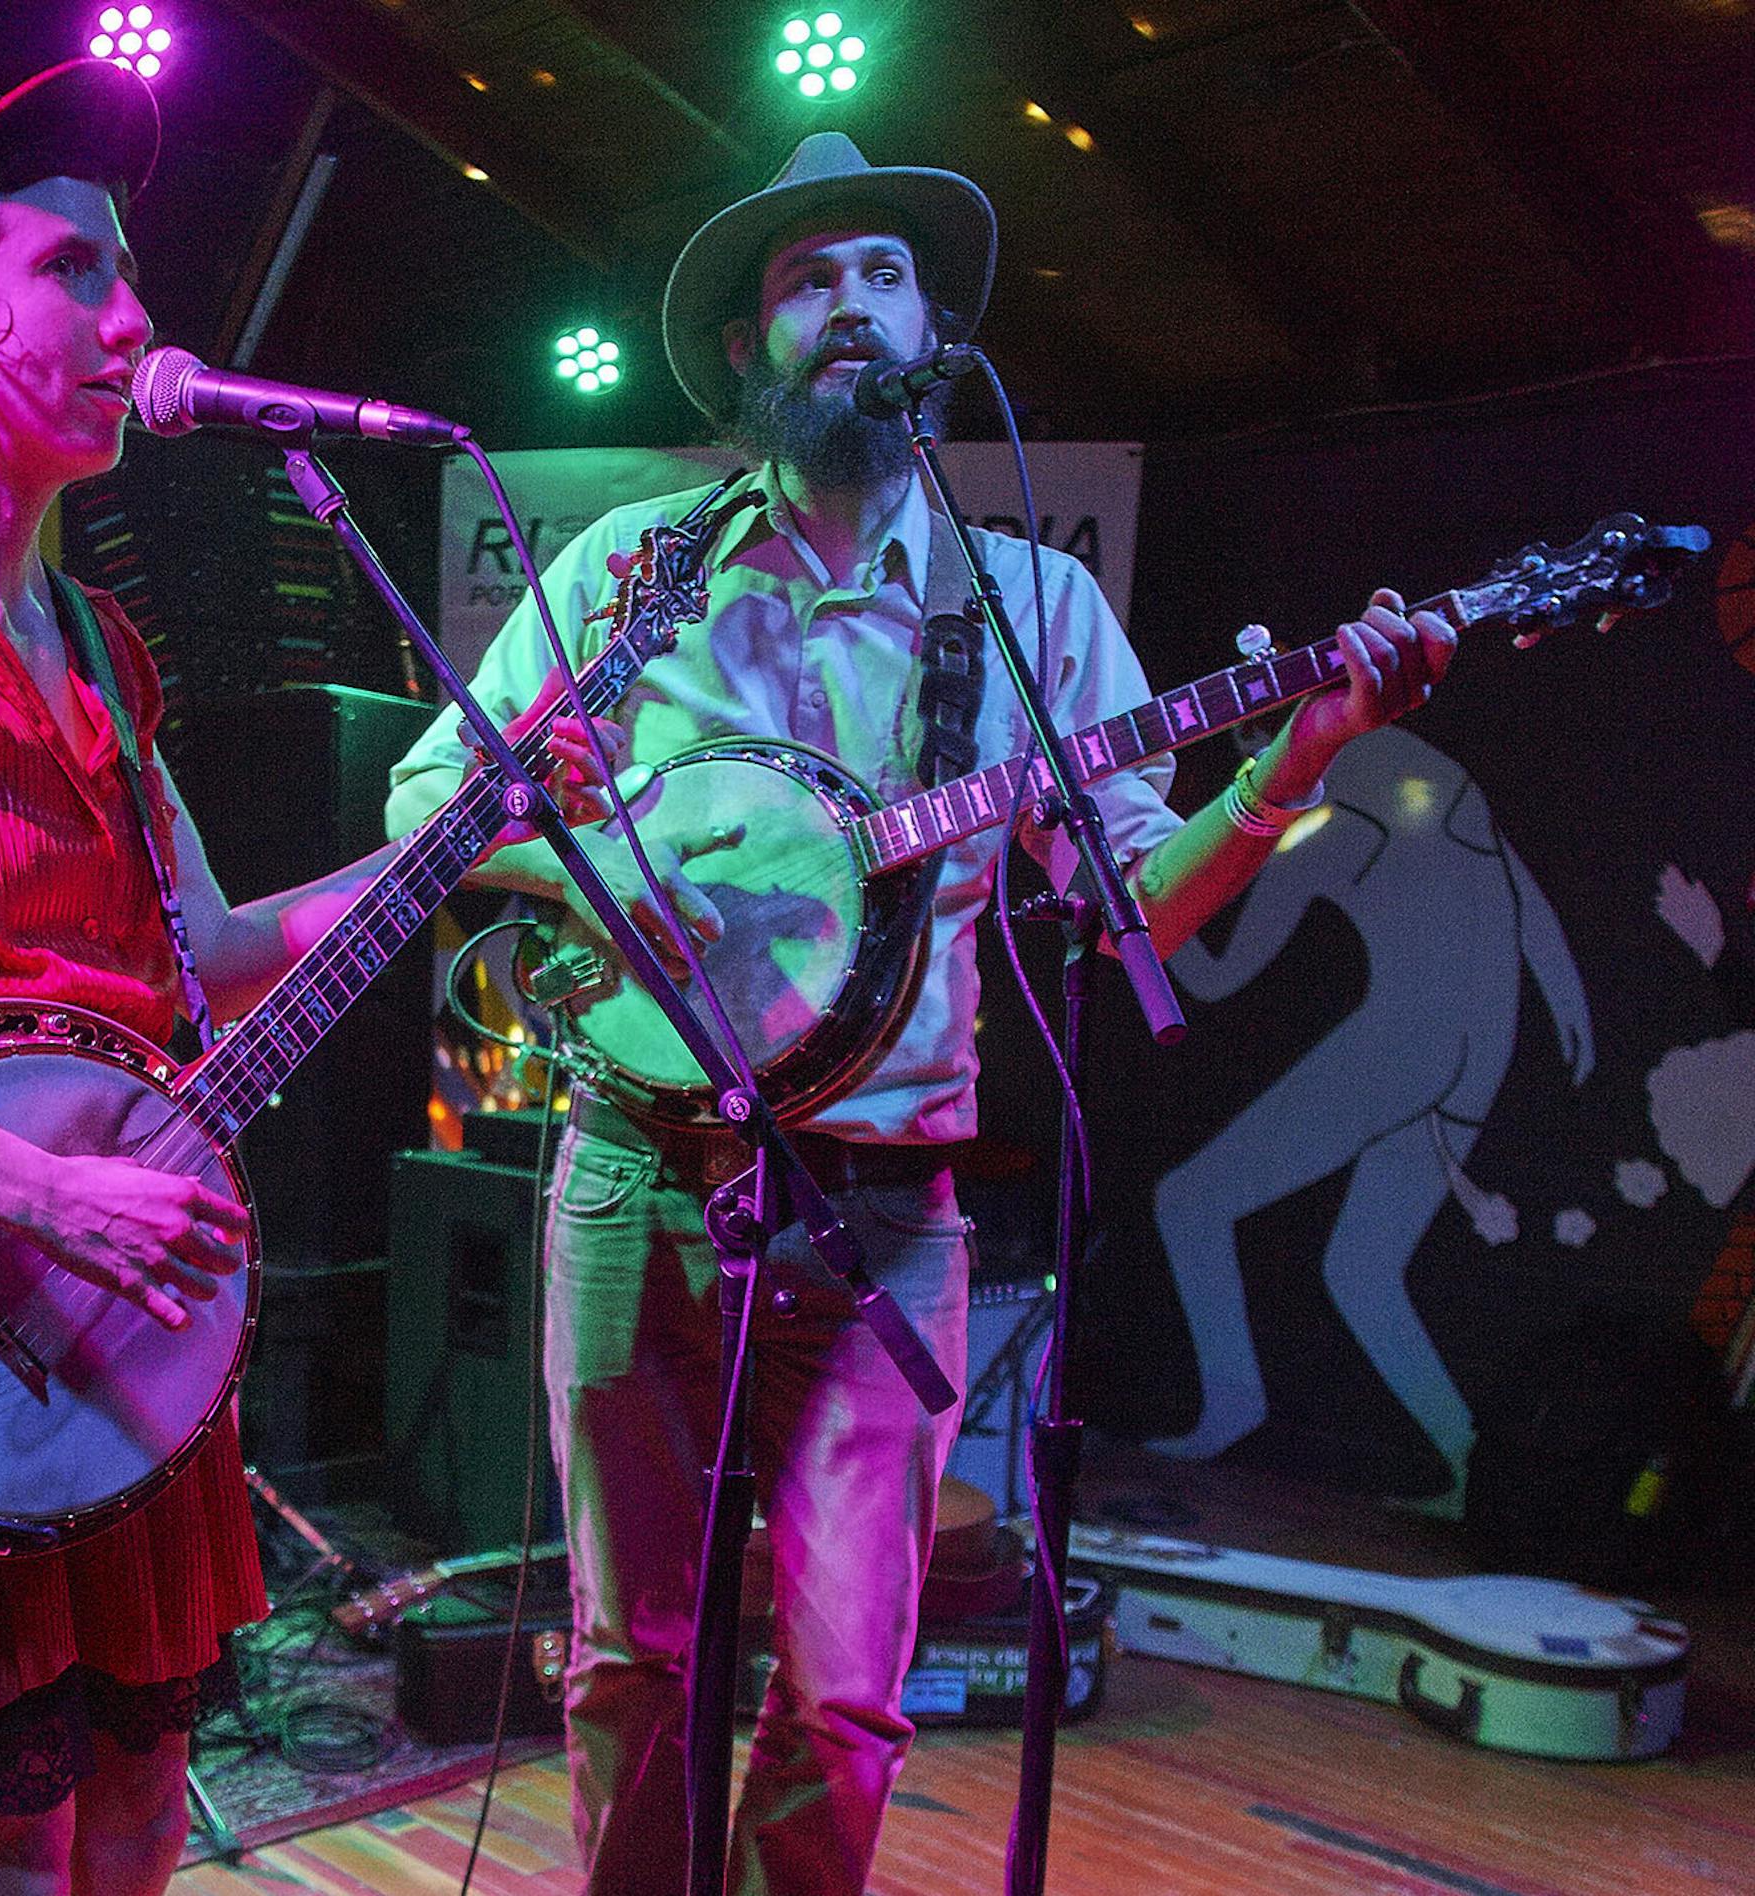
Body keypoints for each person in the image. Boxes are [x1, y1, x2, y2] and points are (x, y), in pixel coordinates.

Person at [384, 131, 1456, 1895]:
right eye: (809, 281)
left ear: (932, 327)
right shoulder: (629, 570)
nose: (852, 308)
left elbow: (1131, 909)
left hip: (889, 1211)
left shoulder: (1028, 609)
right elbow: (430, 798)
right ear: (748, 349)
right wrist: (614, 880)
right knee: (634, 1666)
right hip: (639, 1183)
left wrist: (1290, 765)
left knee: (848, 1700)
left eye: (882, 275)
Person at [0, 60, 603, 1896]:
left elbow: (219, 951)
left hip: (111, 1353)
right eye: (74, 269)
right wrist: (33, 1185)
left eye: (130, 276)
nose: (138, 316)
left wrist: (486, 817)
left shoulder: (101, 649)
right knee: (0, 1864)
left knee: (134, 1839)